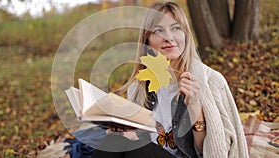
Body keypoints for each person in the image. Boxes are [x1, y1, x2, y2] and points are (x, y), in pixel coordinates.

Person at [87, 1, 248, 158]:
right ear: (147, 40)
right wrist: (126, 133)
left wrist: (195, 107)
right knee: (116, 140)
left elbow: (211, 153)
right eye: (158, 31)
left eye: (176, 28)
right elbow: (138, 139)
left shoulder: (210, 81)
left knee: (138, 151)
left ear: (185, 34)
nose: (169, 37)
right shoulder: (139, 87)